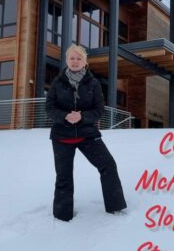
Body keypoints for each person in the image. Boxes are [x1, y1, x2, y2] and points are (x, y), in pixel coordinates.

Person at [46, 44, 127, 221]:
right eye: (71, 58)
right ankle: (62, 216)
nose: (75, 61)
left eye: (79, 58)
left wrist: (82, 116)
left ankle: (115, 208)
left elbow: (99, 109)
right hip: (62, 137)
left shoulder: (93, 83)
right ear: (66, 60)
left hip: (87, 134)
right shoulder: (57, 82)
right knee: (64, 176)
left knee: (108, 165)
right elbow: (49, 107)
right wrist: (65, 116)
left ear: (85, 61)